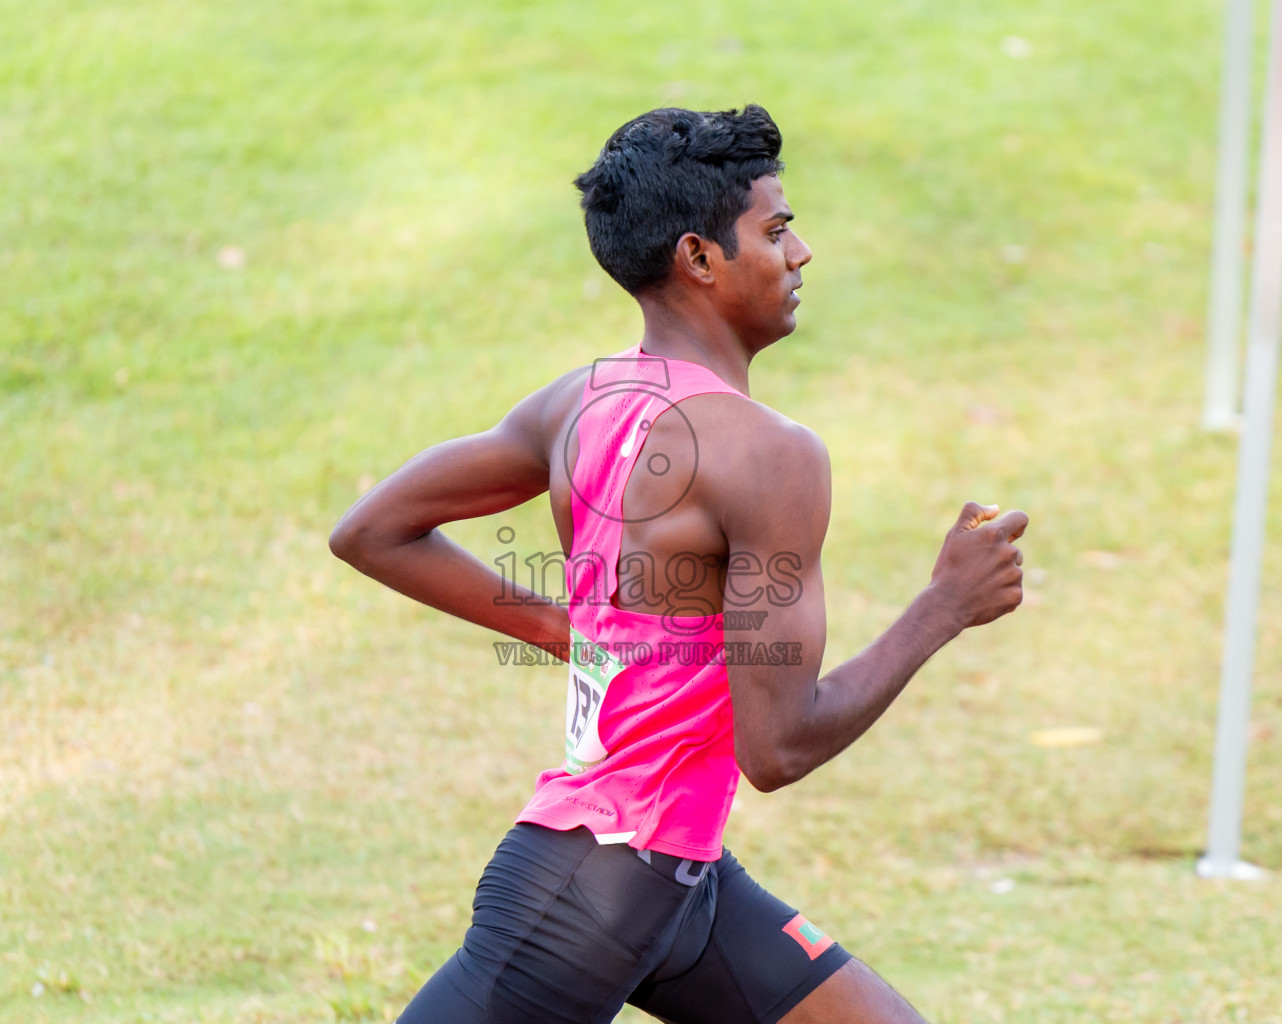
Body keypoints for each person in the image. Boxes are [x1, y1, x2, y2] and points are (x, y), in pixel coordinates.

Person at [329, 104, 1027, 1024]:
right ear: (700, 258)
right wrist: (943, 607)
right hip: (588, 897)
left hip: (674, 883)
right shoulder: (769, 453)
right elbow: (779, 747)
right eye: (775, 231)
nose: (801, 252)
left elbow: (373, 529)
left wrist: (569, 631)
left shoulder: (580, 401)